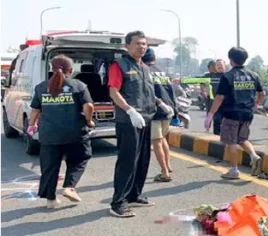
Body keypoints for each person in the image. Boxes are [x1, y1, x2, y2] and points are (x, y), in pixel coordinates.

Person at [108, 31, 172, 218]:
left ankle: (134, 194)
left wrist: (161, 104)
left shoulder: (145, 67)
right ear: (127, 46)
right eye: (137, 43)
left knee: (143, 160)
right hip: (129, 120)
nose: (142, 47)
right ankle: (118, 202)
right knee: (127, 161)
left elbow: (148, 92)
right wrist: (129, 110)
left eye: (144, 44)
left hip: (146, 118)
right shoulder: (119, 65)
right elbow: (114, 91)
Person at [28, 55, 94, 209]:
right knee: (80, 158)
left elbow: (35, 109)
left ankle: (50, 200)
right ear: (70, 70)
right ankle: (69, 187)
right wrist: (89, 121)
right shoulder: (78, 85)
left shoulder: (41, 87)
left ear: (52, 69)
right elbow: (89, 106)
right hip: (75, 133)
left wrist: (31, 125)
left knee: (49, 167)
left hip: (49, 134)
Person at [205, 47, 265, 179]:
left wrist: (210, 114)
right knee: (242, 139)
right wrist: (255, 105)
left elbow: (219, 97)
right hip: (247, 114)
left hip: (232, 114)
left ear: (231, 60)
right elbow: (262, 94)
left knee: (231, 142)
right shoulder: (253, 75)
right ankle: (254, 156)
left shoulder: (228, 76)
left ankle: (234, 170)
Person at [142, 48, 176, 182]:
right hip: (168, 109)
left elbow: (148, 92)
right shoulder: (164, 71)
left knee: (156, 141)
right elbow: (171, 90)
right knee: (162, 140)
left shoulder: (144, 71)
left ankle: (164, 172)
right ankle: (168, 165)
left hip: (155, 110)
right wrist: (175, 109)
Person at [202, 59, 227, 135]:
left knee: (226, 123)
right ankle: (217, 140)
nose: (219, 67)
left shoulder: (229, 76)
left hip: (227, 104)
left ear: (225, 67)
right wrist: (181, 80)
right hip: (215, 104)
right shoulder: (209, 76)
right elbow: (199, 81)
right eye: (217, 65)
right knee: (217, 121)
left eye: (221, 65)